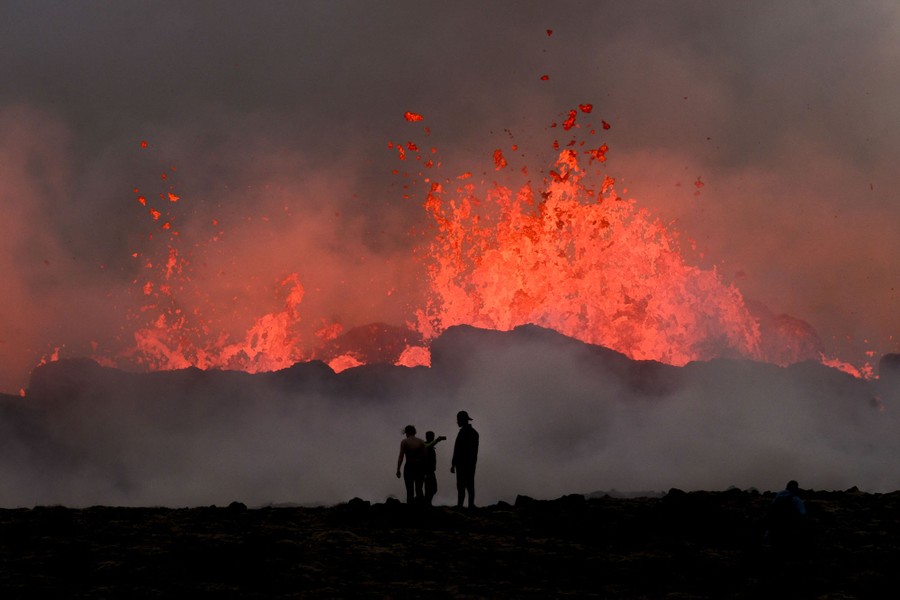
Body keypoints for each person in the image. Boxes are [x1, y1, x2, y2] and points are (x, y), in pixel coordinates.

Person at [766, 480, 808, 547]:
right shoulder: (796, 500)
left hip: (775, 528)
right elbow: (803, 514)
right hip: (790, 529)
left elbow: (770, 510)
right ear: (796, 488)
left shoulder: (777, 497)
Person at [451, 410, 479, 508]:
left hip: (462, 464)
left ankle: (461, 505)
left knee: (462, 485)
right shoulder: (474, 433)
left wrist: (454, 464)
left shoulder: (464, 433)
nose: (457, 422)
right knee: (469, 484)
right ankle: (469, 505)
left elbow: (457, 449)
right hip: (470, 464)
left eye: (458, 420)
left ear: (462, 420)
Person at [396, 425, 426, 504]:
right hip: (419, 466)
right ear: (414, 432)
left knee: (409, 490)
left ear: (407, 432)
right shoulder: (421, 441)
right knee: (419, 489)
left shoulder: (405, 442)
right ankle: (421, 509)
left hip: (409, 466)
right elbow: (424, 457)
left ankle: (410, 510)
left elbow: (401, 457)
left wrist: (398, 469)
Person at [423, 431, 447, 505]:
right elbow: (428, 446)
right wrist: (438, 440)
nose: (433, 438)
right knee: (430, 487)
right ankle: (427, 502)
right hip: (427, 470)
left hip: (430, 470)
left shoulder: (429, 446)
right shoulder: (425, 445)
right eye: (432, 436)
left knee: (432, 488)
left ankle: (427, 502)